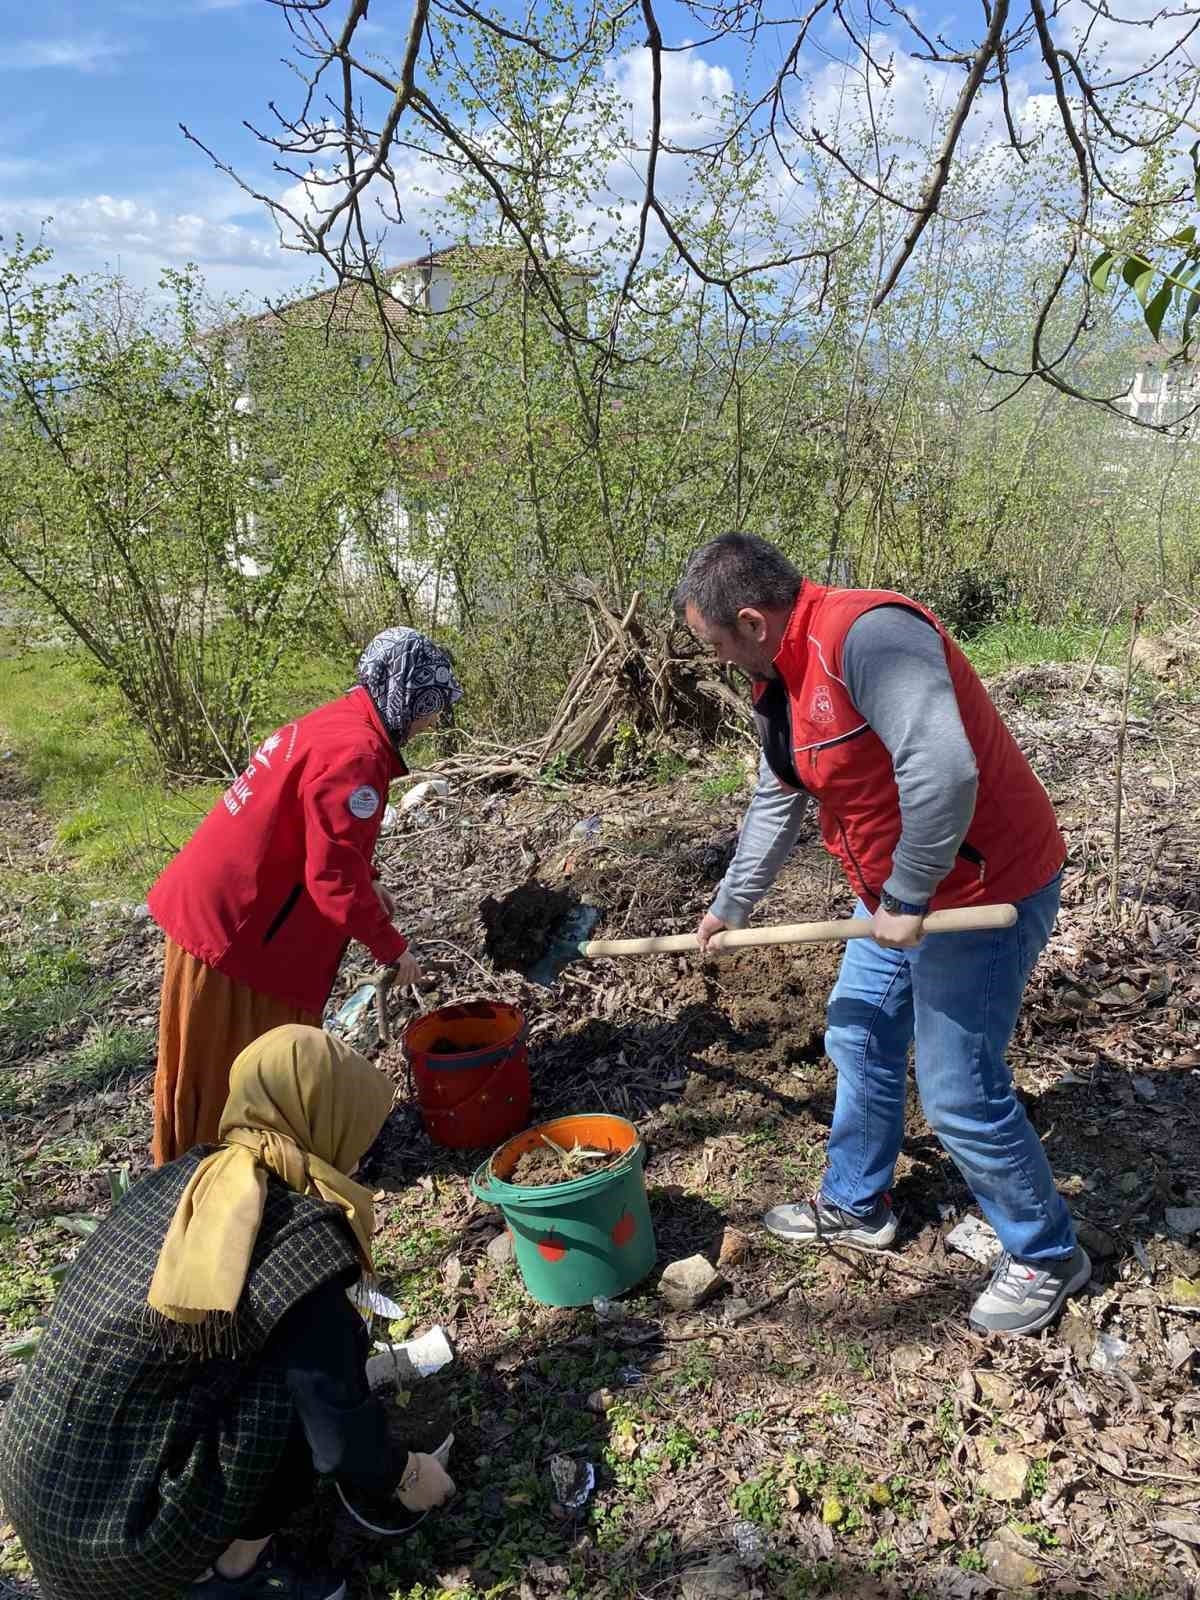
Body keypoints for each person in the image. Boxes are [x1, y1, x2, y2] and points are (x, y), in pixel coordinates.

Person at [675, 533, 1089, 1336]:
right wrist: (731, 903)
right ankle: (859, 1202)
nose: (715, 658)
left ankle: (1046, 1253)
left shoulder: (870, 637)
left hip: (980, 889)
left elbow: (946, 770)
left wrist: (904, 896)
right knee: (859, 1031)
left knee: (959, 1088)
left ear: (752, 621)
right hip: (899, 894)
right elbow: (778, 793)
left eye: (714, 642)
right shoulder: (782, 679)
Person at [0, 1025, 456, 1600]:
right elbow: (336, 1438)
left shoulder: (186, 1177)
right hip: (118, 1545)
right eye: (360, 1130)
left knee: (299, 1351)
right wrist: (407, 1475)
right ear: (325, 1121)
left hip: (39, 1486)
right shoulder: (302, 1238)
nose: (363, 1153)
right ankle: (235, 1572)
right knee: (299, 1386)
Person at [147, 627, 463, 1165]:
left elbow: (322, 833)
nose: (432, 722)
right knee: (237, 1064)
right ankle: (206, 1177)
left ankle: (247, 1160)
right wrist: (394, 950)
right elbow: (331, 882)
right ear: (406, 694)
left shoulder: (336, 723)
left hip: (219, 908)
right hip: (239, 935)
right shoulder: (358, 755)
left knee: (223, 1062)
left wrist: (373, 878)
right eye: (430, 707)